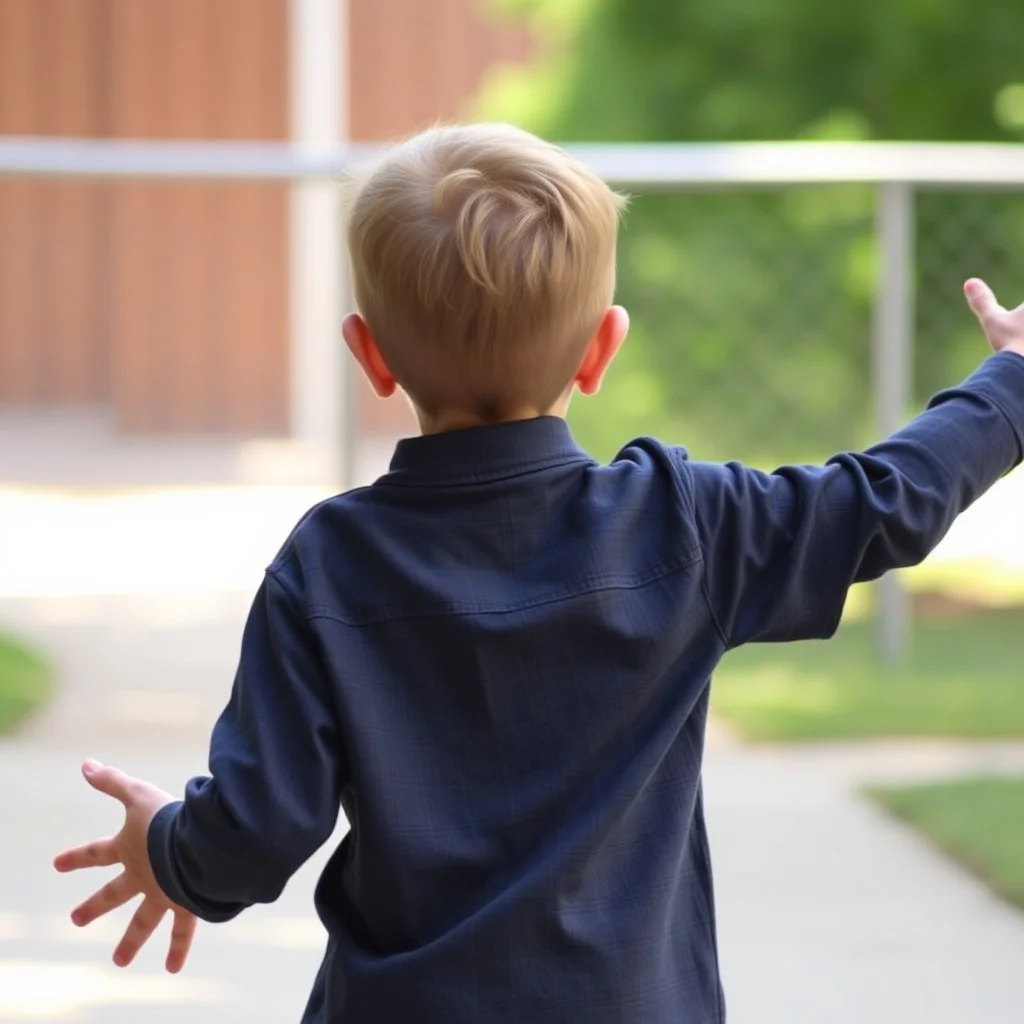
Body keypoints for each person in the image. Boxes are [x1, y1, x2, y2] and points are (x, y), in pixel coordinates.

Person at [55, 123, 1024, 1024]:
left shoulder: (329, 564)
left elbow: (255, 833)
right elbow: (880, 503)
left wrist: (172, 853)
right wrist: (1009, 384)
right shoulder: (680, 523)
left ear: (370, 355)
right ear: (602, 348)